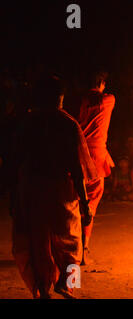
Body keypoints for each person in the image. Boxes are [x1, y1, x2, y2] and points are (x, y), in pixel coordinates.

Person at [10, 75, 97, 298]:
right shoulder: (67, 124)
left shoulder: (27, 123)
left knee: (38, 243)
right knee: (73, 241)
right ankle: (66, 284)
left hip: (32, 190)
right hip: (60, 191)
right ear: (59, 97)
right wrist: (85, 203)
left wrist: (14, 196)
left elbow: (14, 162)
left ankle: (42, 288)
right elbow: (77, 167)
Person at [78, 71, 115, 265]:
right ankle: (83, 250)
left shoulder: (79, 101)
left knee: (74, 203)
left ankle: (73, 248)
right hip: (95, 157)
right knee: (89, 204)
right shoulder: (108, 100)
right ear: (101, 83)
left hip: (76, 156)